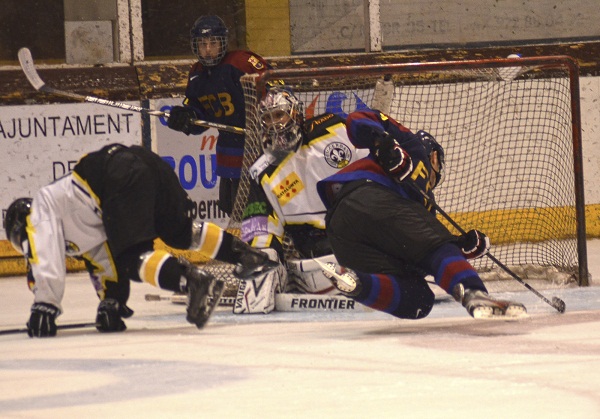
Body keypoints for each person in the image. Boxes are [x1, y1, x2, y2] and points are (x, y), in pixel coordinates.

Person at [3, 143, 276, 337]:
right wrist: (111, 302)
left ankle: (193, 281)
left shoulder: (41, 207)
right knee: (178, 232)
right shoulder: (77, 225)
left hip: (116, 174)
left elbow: (45, 254)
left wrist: (45, 304)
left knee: (133, 258)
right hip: (145, 163)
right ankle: (245, 255)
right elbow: (103, 260)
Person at [316, 109, 527, 319]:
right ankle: (474, 292)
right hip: (369, 195)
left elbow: (419, 256)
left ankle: (359, 284)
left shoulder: (425, 205)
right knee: (438, 248)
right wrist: (384, 143)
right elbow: (358, 117)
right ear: (434, 157)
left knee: (418, 300)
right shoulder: (411, 145)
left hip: (340, 231)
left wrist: (463, 247)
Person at [237, 86, 369, 313]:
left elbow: (375, 165)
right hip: (317, 247)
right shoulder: (263, 171)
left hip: (360, 231)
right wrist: (261, 259)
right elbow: (261, 228)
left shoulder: (336, 129)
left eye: (279, 114)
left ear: (295, 113)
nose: (275, 124)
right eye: (268, 118)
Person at [167, 15, 270, 215]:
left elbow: (276, 91)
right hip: (229, 157)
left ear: (223, 42)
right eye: (202, 43)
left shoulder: (241, 62)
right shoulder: (196, 74)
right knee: (234, 212)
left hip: (260, 153)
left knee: (260, 216)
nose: (207, 49)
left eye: (213, 43)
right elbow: (201, 118)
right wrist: (186, 119)